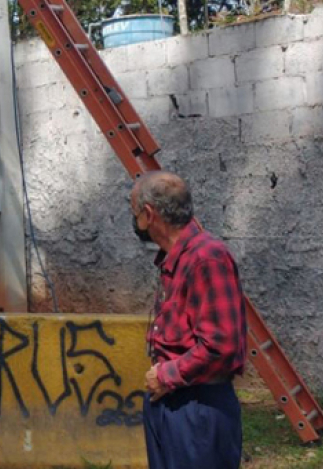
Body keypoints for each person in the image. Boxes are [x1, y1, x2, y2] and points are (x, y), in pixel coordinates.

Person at [135, 171, 246, 469]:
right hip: (172, 404)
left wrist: (166, 375)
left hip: (198, 409)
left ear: (149, 214)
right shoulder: (176, 258)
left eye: (135, 213)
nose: (136, 223)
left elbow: (220, 346)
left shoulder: (206, 258)